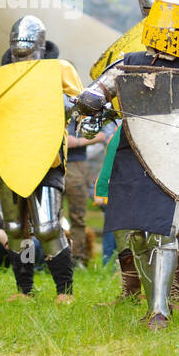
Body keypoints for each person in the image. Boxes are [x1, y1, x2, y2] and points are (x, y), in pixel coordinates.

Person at [74, 0, 179, 328]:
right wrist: (90, 102)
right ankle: (152, 301)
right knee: (137, 233)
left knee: (162, 232)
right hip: (134, 151)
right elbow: (96, 92)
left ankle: (160, 310)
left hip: (174, 158)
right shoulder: (129, 62)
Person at [0, 16, 83, 302]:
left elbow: (82, 102)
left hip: (44, 156)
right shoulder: (3, 77)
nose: (20, 48)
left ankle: (65, 292)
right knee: (15, 229)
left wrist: (69, 104)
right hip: (8, 156)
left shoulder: (59, 69)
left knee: (48, 227)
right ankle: (25, 290)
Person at [64, 115, 105, 268]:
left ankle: (77, 259)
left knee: (78, 216)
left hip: (77, 164)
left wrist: (78, 142)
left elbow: (104, 134)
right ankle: (51, 257)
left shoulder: (83, 101)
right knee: (51, 217)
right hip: (50, 163)